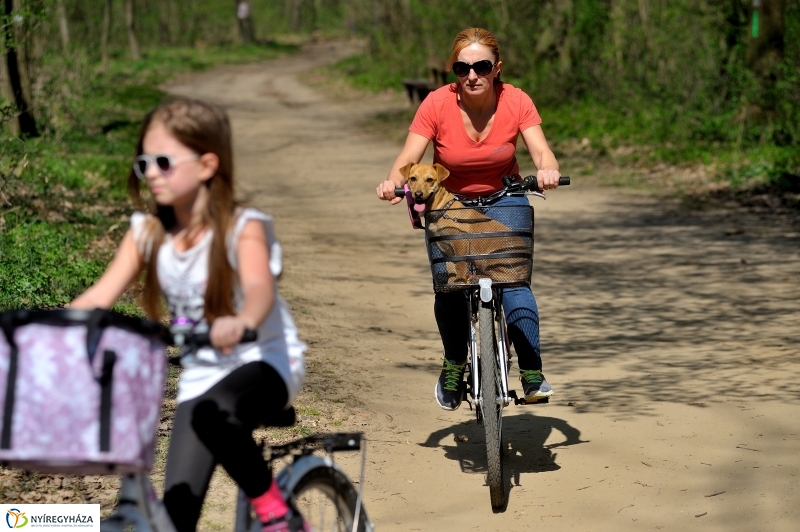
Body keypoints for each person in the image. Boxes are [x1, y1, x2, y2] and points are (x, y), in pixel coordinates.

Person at [71, 98, 309, 532]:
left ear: (206, 165)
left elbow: (259, 289)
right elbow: (97, 297)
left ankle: (279, 513)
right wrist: (36, 330)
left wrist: (241, 321)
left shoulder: (243, 227)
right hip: (201, 378)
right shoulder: (147, 232)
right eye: (144, 163)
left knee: (212, 414)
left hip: (265, 362)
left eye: (164, 162)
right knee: (175, 517)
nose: (152, 173)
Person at [376, 27, 562, 411]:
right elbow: (408, 156)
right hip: (450, 205)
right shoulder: (436, 103)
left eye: (482, 67)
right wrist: (393, 183)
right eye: (462, 68)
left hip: (505, 198)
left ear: (497, 68)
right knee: (450, 284)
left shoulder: (517, 100)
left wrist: (547, 171)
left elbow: (542, 151)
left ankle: (531, 372)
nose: (472, 75)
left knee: (513, 280)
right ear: (454, 70)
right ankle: (454, 363)